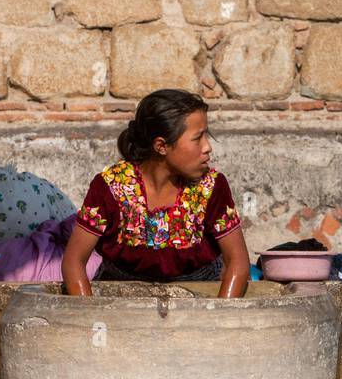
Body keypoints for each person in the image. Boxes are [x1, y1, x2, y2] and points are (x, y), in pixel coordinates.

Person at [61, 89, 250, 297]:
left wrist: (218, 320)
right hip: (119, 300)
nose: (207, 147)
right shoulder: (111, 187)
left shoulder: (211, 187)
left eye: (207, 135)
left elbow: (238, 262)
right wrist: (90, 320)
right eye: (197, 138)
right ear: (161, 146)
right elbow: (73, 262)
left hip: (199, 298)